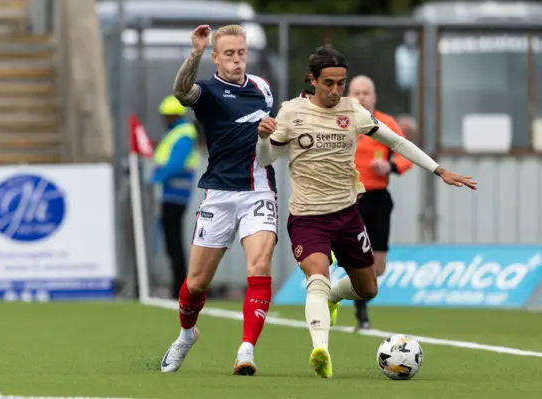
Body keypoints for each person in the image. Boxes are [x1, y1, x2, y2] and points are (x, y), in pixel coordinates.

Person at [255, 45, 476, 379]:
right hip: (306, 217)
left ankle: (332, 297)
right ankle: (321, 349)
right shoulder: (291, 112)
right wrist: (262, 139)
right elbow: (265, 159)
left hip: (347, 214)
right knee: (316, 275)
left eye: (340, 83)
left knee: (369, 288)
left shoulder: (353, 112)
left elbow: (398, 143)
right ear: (312, 79)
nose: (334, 90)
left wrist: (439, 170)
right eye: (328, 83)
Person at [160, 24, 278, 377]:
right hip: (220, 193)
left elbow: (271, 150)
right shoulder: (208, 91)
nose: (237, 59)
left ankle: (246, 350)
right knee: (196, 283)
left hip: (259, 188)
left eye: (241, 52)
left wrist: (270, 139)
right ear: (216, 57)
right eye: (229, 53)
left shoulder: (262, 89)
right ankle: (186, 334)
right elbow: (181, 92)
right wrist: (193, 53)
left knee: (259, 266)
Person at [347, 75, 412, 331]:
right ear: (349, 95)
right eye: (357, 92)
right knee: (358, 257)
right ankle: (361, 313)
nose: (362, 96)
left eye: (366, 92)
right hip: (351, 199)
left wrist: (391, 165)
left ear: (374, 97)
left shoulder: (385, 123)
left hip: (379, 198)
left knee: (378, 266)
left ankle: (355, 291)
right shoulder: (343, 122)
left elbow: (406, 153)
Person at [151, 95, 201, 300]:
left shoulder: (182, 134)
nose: (164, 120)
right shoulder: (179, 132)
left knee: (174, 243)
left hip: (175, 194)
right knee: (172, 242)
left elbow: (176, 164)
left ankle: (179, 288)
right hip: (172, 194)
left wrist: (157, 177)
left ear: (173, 116)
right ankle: (179, 287)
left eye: (166, 116)